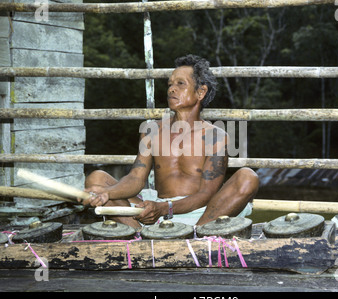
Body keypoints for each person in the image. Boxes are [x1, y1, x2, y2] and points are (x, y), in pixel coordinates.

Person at [82, 54, 259, 229]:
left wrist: (165, 209)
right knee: (97, 178)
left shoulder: (216, 137)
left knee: (248, 177)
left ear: (201, 92)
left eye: (180, 84)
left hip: (201, 213)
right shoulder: (152, 130)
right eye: (170, 84)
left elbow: (206, 194)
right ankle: (141, 235)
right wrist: (106, 193)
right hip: (155, 211)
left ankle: (197, 236)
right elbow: (136, 178)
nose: (171, 89)